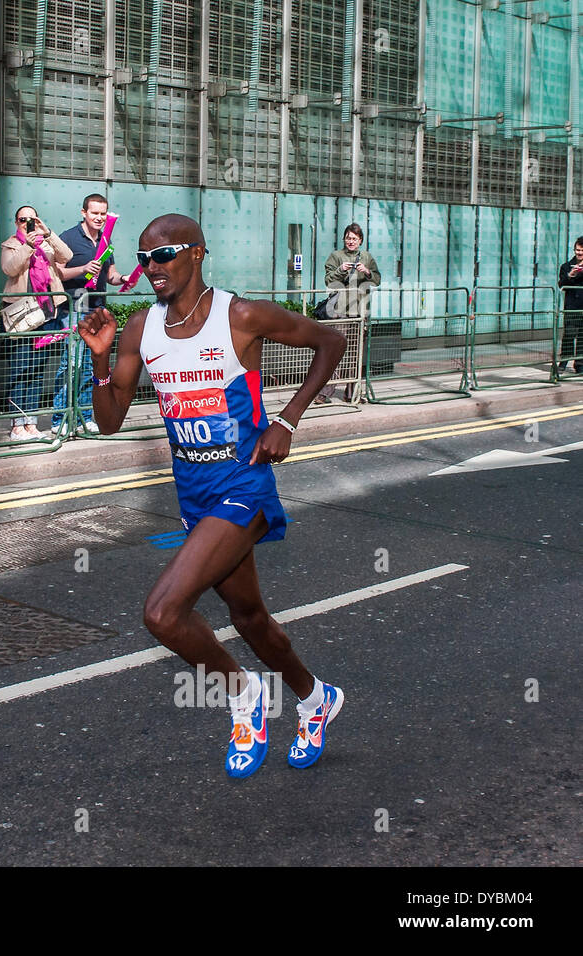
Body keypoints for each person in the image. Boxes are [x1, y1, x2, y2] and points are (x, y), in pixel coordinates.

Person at [78, 213, 347, 778]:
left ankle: (243, 696)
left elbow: (331, 340)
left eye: (165, 254)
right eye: (143, 257)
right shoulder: (138, 330)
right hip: (194, 494)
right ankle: (315, 697)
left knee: (162, 612)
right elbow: (107, 422)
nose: (152, 267)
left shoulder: (239, 315)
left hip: (242, 485)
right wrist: (100, 358)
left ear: (198, 253)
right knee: (248, 617)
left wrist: (289, 421)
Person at [56, 194, 127, 436]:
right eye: (94, 212)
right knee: (70, 365)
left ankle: (85, 417)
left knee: (91, 366)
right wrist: (83, 269)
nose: (99, 217)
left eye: (103, 213)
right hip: (73, 309)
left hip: (97, 309)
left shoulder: (105, 240)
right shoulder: (68, 238)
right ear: (83, 212)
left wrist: (123, 279)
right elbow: (58, 273)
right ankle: (60, 419)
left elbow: (111, 275)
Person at [0, 205, 71, 440]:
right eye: (23, 219)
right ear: (16, 221)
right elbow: (10, 269)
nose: (28, 223)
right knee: (21, 368)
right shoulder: (10, 244)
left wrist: (48, 232)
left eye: (32, 219)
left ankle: (31, 422)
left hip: (48, 313)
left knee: (38, 370)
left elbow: (67, 256)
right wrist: (28, 246)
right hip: (23, 315)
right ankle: (16, 424)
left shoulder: (46, 242)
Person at [318, 223, 381, 402]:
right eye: (348, 237)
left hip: (360, 311)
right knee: (335, 351)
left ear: (360, 240)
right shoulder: (336, 256)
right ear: (344, 239)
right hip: (339, 311)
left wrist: (367, 271)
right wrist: (340, 270)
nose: (351, 241)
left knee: (356, 354)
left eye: (354, 238)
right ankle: (324, 393)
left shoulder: (367, 257)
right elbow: (328, 281)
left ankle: (352, 393)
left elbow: (377, 280)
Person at [556, 237, 583, 375]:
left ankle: (579, 364)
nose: (579, 253)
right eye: (577, 250)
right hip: (572, 306)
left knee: (582, 337)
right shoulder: (566, 266)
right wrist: (571, 275)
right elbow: (561, 285)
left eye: (582, 251)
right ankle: (564, 362)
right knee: (569, 335)